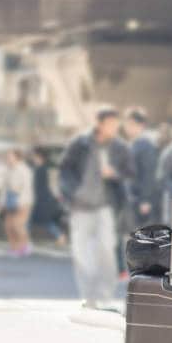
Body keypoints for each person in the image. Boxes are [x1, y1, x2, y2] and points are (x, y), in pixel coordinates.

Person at [59, 107, 134, 310]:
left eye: (116, 124)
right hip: (80, 206)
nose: (114, 128)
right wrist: (71, 193)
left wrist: (114, 173)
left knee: (106, 250)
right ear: (99, 124)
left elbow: (129, 172)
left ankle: (104, 295)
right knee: (81, 253)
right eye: (110, 124)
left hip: (105, 207)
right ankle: (88, 296)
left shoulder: (119, 147)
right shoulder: (80, 143)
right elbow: (65, 170)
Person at [124, 106, 159, 226]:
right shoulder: (131, 144)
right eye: (127, 124)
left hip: (140, 199)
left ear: (141, 125)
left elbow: (148, 174)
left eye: (132, 124)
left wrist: (146, 200)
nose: (128, 127)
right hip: (130, 197)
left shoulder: (146, 146)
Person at [0, 147, 34, 256]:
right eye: (7, 156)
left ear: (17, 157)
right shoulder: (8, 169)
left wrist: (21, 201)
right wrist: (2, 201)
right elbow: (4, 187)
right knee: (8, 225)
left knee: (18, 225)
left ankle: (25, 245)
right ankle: (14, 247)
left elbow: (27, 187)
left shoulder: (24, 169)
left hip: (23, 200)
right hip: (10, 199)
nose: (8, 158)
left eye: (10, 156)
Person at [29, 147, 66, 246]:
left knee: (36, 220)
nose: (33, 158)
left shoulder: (41, 169)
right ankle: (60, 236)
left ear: (40, 157)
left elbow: (40, 185)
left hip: (41, 199)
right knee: (37, 220)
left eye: (34, 156)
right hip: (42, 198)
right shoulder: (40, 169)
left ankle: (60, 236)